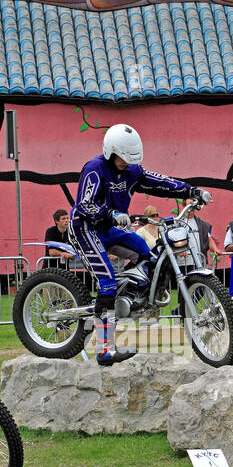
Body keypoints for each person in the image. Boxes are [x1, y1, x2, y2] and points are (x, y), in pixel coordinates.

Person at [69, 124, 209, 366]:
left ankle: (134, 296)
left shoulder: (133, 171)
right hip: (86, 228)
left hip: (112, 229)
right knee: (107, 284)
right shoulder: (94, 169)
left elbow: (160, 181)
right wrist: (110, 214)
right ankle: (104, 351)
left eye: (130, 159)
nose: (126, 163)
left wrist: (191, 190)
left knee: (149, 255)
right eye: (123, 158)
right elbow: (84, 203)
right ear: (110, 152)